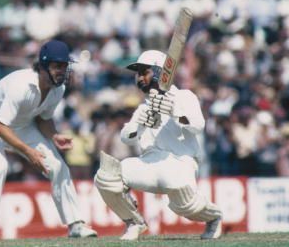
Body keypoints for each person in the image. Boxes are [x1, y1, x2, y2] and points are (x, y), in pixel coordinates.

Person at [0, 40, 97, 241]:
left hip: (21, 126)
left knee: (57, 166)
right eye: (57, 66)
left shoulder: (58, 89)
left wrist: (54, 135)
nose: (62, 71)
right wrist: (28, 152)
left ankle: (75, 225)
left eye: (64, 66)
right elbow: (0, 127)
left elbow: (43, 118)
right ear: (43, 66)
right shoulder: (21, 86)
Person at [94, 50, 222, 241]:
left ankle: (214, 217)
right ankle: (134, 222)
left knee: (187, 207)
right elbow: (126, 137)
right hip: (150, 164)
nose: (139, 78)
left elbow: (198, 125)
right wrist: (140, 124)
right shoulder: (144, 107)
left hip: (180, 163)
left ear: (160, 72)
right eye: (138, 73)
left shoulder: (184, 97)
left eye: (144, 72)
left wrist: (174, 112)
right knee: (107, 175)